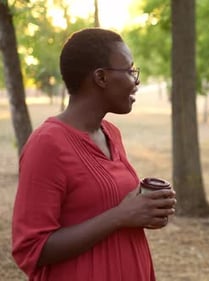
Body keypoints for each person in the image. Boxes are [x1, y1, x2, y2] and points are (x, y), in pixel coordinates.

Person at [11, 28, 176, 281]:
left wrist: (146, 209)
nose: (136, 80)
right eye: (130, 71)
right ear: (101, 77)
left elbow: (105, 207)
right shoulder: (47, 144)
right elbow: (32, 248)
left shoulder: (111, 133)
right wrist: (121, 216)